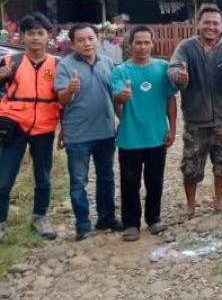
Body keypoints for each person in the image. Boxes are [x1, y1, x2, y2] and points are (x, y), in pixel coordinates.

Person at [168, 5, 222, 217]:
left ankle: (219, 200)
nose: (211, 27)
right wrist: (178, 77)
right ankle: (190, 204)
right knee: (190, 166)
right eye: (207, 22)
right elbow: (172, 69)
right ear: (198, 24)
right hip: (195, 120)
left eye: (215, 23)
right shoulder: (186, 47)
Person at [55, 22, 121, 240]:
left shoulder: (107, 63)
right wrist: (69, 90)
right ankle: (82, 224)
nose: (86, 43)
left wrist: (123, 120)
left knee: (106, 178)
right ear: (73, 44)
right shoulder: (65, 66)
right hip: (78, 135)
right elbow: (61, 99)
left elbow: (114, 96)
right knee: (78, 182)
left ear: (97, 39)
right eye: (81, 40)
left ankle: (106, 218)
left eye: (90, 38)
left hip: (105, 131)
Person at [112, 26, 177, 241]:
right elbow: (117, 101)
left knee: (155, 180)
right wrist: (122, 97)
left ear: (152, 43)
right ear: (130, 44)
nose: (142, 47)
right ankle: (131, 223)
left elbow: (170, 99)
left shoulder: (163, 68)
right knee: (130, 181)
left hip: (156, 135)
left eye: (146, 42)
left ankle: (154, 218)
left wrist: (173, 128)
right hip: (130, 138)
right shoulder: (121, 71)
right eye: (137, 43)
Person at [0, 13, 60, 241]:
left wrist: (64, 128)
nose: (35, 38)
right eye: (30, 33)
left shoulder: (57, 64)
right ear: (22, 37)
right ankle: (1, 222)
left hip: (44, 126)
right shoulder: (9, 62)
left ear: (48, 37)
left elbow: (63, 98)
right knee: (4, 178)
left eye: (40, 33)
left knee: (43, 176)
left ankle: (40, 217)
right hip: (13, 126)